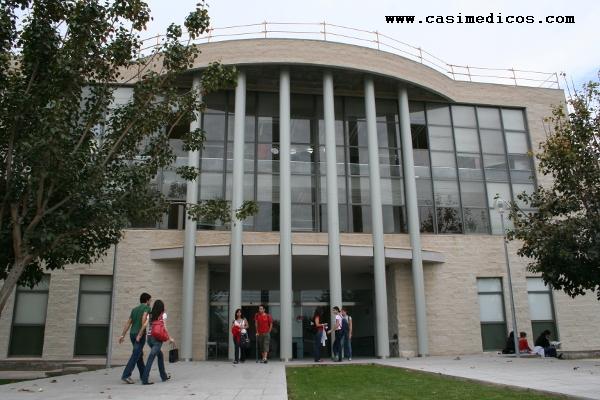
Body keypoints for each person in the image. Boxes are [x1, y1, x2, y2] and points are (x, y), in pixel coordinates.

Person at [138, 300, 174, 384]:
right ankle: (145, 379)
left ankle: (164, 376)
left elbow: (144, 325)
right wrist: (170, 338)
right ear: (162, 307)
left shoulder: (150, 314)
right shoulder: (163, 314)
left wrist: (139, 335)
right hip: (157, 339)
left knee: (160, 355)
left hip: (149, 339)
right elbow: (164, 327)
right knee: (151, 358)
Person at [119, 292, 152, 384]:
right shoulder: (147, 308)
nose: (150, 302)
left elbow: (128, 323)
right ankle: (126, 375)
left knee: (139, 355)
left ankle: (143, 375)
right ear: (147, 300)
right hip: (139, 335)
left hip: (132, 334)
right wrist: (141, 333)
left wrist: (122, 335)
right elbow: (144, 318)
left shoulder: (134, 309)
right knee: (136, 355)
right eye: (150, 300)